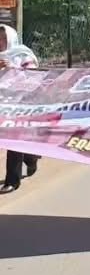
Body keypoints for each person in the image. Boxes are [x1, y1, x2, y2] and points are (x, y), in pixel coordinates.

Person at [0, 25, 41, 195]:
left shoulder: (22, 55)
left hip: (19, 103)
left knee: (13, 139)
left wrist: (11, 68)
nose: (0, 42)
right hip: (1, 102)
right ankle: (31, 156)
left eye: (3, 38)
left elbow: (33, 79)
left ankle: (12, 180)